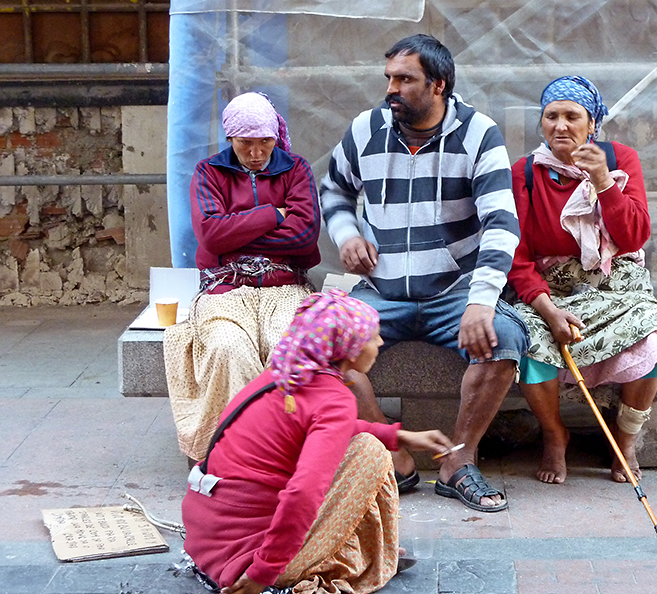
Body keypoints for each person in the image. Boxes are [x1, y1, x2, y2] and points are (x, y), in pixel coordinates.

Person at [320, 34, 529, 513]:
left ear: (438, 85)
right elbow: (332, 191)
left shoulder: (479, 133)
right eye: (388, 78)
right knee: (323, 343)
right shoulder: (365, 130)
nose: (391, 89)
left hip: (454, 293)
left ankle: (459, 461)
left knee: (504, 337)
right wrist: (348, 234)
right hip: (382, 291)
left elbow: (501, 222)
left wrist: (481, 300)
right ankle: (390, 451)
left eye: (404, 79)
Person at [182, 290, 455, 594]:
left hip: (207, 544)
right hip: (246, 564)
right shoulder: (334, 399)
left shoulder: (281, 374)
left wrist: (399, 436)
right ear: (349, 350)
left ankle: (343, 549)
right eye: (373, 337)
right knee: (371, 453)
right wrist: (263, 573)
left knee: (365, 443)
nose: (379, 344)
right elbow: (303, 493)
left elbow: (323, 429)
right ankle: (338, 556)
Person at [507, 75, 657, 484]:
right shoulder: (526, 172)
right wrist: (546, 307)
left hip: (616, 284)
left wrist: (604, 182)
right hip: (550, 288)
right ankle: (555, 435)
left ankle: (624, 440)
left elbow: (634, 236)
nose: (560, 126)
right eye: (551, 116)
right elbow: (516, 254)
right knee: (530, 344)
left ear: (592, 124)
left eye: (572, 116)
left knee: (655, 337)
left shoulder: (620, 159)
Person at [164, 91, 321, 463]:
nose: (256, 152)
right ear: (230, 139)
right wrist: (273, 214)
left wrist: (235, 230)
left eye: (264, 142)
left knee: (289, 347)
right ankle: (233, 451)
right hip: (226, 288)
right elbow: (210, 235)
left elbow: (305, 235)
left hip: (284, 286)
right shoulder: (210, 172)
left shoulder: (295, 169)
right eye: (245, 143)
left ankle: (282, 451)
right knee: (226, 347)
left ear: (274, 136)